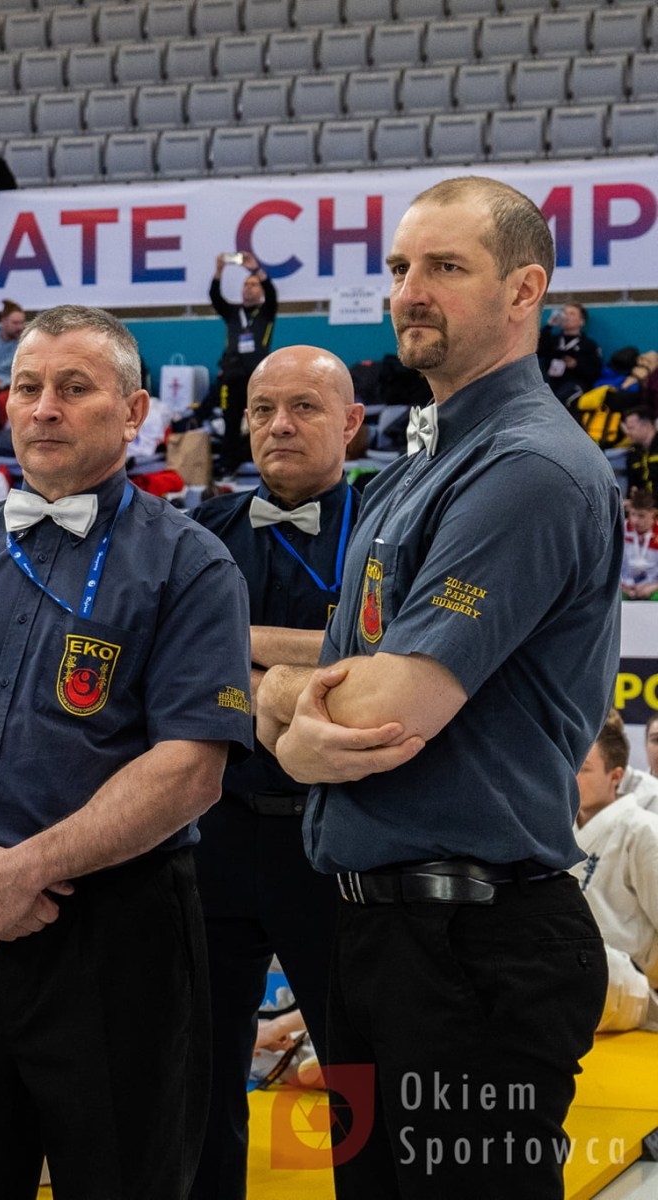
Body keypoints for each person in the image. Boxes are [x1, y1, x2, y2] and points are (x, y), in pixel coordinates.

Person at [254, 176, 617, 1199]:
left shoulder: (529, 468)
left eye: (446, 267)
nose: (410, 291)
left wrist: (286, 711)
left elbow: (381, 711)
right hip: (376, 935)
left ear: (524, 291)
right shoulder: (416, 468)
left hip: (473, 945)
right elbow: (325, 681)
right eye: (401, 267)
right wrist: (293, 720)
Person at [0, 305, 255, 1199]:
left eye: (75, 388)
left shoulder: (190, 565)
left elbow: (192, 768)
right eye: (28, 387)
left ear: (135, 410)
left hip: (115, 935)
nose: (44, 408)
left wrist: (27, 868)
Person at [187, 344, 365, 1200]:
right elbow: (172, 656)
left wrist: (237, 641)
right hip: (210, 829)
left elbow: (384, 661)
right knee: (199, 1070)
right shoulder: (202, 529)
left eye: (303, 407)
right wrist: (318, 658)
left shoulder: (390, 522)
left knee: (354, 1067)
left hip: (338, 836)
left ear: (352, 422)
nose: (279, 426)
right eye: (263, 410)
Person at [572, 713, 658, 1033]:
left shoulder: (644, 831)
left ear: (616, 775)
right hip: (581, 965)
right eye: (569, 766)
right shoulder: (560, 833)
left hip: (630, 982)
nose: (571, 778)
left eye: (583, 769)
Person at [209, 250, 279, 478]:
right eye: (246, 285)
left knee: (261, 421)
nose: (249, 288)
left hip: (257, 378)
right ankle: (227, 466)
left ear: (260, 291)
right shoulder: (233, 313)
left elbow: (272, 292)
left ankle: (262, 462)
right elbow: (215, 297)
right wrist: (219, 270)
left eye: (253, 284)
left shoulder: (266, 312)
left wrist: (255, 269)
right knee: (230, 422)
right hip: (231, 378)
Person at [537, 302, 602, 401]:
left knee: (563, 396)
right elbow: (537, 350)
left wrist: (576, 365)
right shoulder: (552, 341)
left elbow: (595, 372)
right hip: (551, 382)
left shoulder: (588, 345)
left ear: (581, 322)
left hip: (575, 384)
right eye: (564, 313)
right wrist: (549, 326)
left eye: (572, 314)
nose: (566, 317)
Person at [626, 488, 658, 600]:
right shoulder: (621, 530)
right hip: (625, 587)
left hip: (653, 588)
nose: (635, 521)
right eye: (633, 514)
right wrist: (623, 587)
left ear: (652, 514)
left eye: (641, 516)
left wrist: (653, 587)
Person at [624, 407, 656, 500]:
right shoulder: (633, 454)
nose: (628, 433)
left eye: (631, 428)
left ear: (646, 426)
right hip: (643, 505)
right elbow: (632, 486)